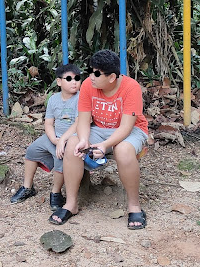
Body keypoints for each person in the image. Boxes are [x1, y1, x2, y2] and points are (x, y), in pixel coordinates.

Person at [49, 49, 149, 229]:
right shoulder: (88, 85)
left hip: (130, 129)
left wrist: (104, 145)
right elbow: (84, 118)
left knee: (123, 150)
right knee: (73, 144)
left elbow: (126, 127)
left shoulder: (131, 88)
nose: (91, 77)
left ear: (112, 77)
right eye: (90, 71)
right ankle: (71, 204)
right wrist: (84, 139)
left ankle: (134, 206)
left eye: (96, 73)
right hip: (99, 128)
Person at [10, 63, 82, 210]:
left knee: (61, 158)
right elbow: (48, 123)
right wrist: (54, 139)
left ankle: (55, 193)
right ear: (59, 82)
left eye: (77, 78)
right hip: (55, 137)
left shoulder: (81, 98)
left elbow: (78, 123)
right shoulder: (54, 99)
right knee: (32, 151)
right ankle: (27, 187)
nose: (74, 82)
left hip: (72, 139)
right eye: (69, 79)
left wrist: (62, 141)